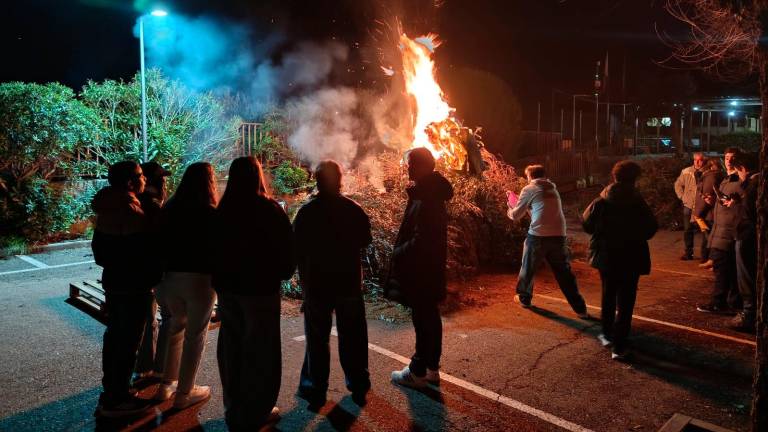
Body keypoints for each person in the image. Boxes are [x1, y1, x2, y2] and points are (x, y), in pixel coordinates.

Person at [213, 156, 294, 431]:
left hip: (228, 290)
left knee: (232, 347)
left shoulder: (222, 210)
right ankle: (257, 409)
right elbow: (286, 251)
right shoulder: (270, 209)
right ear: (258, 176)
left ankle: (234, 407)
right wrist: (282, 273)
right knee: (261, 350)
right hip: (260, 290)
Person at [294, 160, 373, 407]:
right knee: (354, 337)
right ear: (340, 180)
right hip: (348, 282)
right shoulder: (353, 209)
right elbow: (365, 239)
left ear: (317, 181)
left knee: (317, 338)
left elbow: (295, 247)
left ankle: (315, 388)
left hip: (317, 284)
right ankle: (358, 384)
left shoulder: (307, 212)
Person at [152, 162, 218, 409]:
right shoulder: (210, 212)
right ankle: (185, 393)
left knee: (175, 327)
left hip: (168, 279)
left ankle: (166, 384)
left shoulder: (169, 208)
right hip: (199, 280)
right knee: (195, 335)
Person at [91, 161, 154, 417]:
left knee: (115, 337)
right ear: (130, 182)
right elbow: (141, 251)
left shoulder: (108, 206)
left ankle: (114, 390)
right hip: (131, 284)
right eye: (141, 176)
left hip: (114, 282)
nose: (145, 180)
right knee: (127, 342)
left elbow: (100, 253)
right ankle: (116, 400)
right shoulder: (129, 210)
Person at [388, 148, 453, 389]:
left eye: (412, 163)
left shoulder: (427, 197)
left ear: (424, 166)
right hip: (428, 267)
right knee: (429, 317)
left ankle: (416, 371)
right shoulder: (429, 192)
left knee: (423, 318)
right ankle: (431, 369)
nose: (408, 167)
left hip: (421, 269)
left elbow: (422, 237)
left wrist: (399, 252)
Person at [582, 161, 658, 361]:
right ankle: (619, 346)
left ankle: (606, 334)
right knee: (626, 301)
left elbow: (587, 225)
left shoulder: (601, 200)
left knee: (608, 294)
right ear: (635, 179)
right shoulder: (638, 202)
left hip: (606, 256)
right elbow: (651, 228)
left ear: (614, 176)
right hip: (631, 255)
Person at [507, 164, 589, 318]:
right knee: (564, 273)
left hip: (538, 236)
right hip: (558, 235)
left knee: (528, 268)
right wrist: (527, 207)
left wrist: (510, 206)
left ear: (530, 176)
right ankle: (580, 309)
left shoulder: (530, 188)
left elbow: (515, 216)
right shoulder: (552, 188)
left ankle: (524, 299)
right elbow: (541, 213)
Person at [135, 161, 172, 381]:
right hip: (148, 272)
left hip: (136, 270)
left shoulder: (135, 202)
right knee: (153, 319)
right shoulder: (152, 206)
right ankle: (152, 369)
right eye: (164, 179)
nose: (166, 183)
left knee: (146, 319)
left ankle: (143, 366)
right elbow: (162, 241)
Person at [697, 147, 744, 314]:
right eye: (726, 157)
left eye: (733, 158)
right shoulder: (726, 180)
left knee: (722, 269)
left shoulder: (741, 182)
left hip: (728, 233)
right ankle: (731, 301)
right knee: (728, 270)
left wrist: (736, 204)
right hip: (720, 232)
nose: (729, 161)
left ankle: (718, 302)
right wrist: (713, 202)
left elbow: (744, 206)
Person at [728, 153, 759, 331]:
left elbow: (750, 214)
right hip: (748, 235)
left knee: (746, 275)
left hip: (747, 237)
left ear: (743, 169)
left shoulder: (753, 185)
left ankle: (749, 314)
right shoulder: (755, 184)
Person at [693, 158, 724, 269]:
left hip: (707, 213)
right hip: (711, 212)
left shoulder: (710, 177)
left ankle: (711, 260)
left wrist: (698, 213)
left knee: (708, 237)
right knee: (709, 236)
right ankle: (709, 259)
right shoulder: (719, 175)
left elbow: (706, 195)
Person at [674, 152, 705, 261]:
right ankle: (688, 253)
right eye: (695, 160)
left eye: (700, 160)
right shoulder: (687, 171)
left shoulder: (707, 172)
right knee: (688, 230)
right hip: (689, 205)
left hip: (702, 206)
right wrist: (682, 197)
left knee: (704, 230)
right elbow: (677, 184)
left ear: (703, 161)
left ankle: (705, 255)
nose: (697, 162)